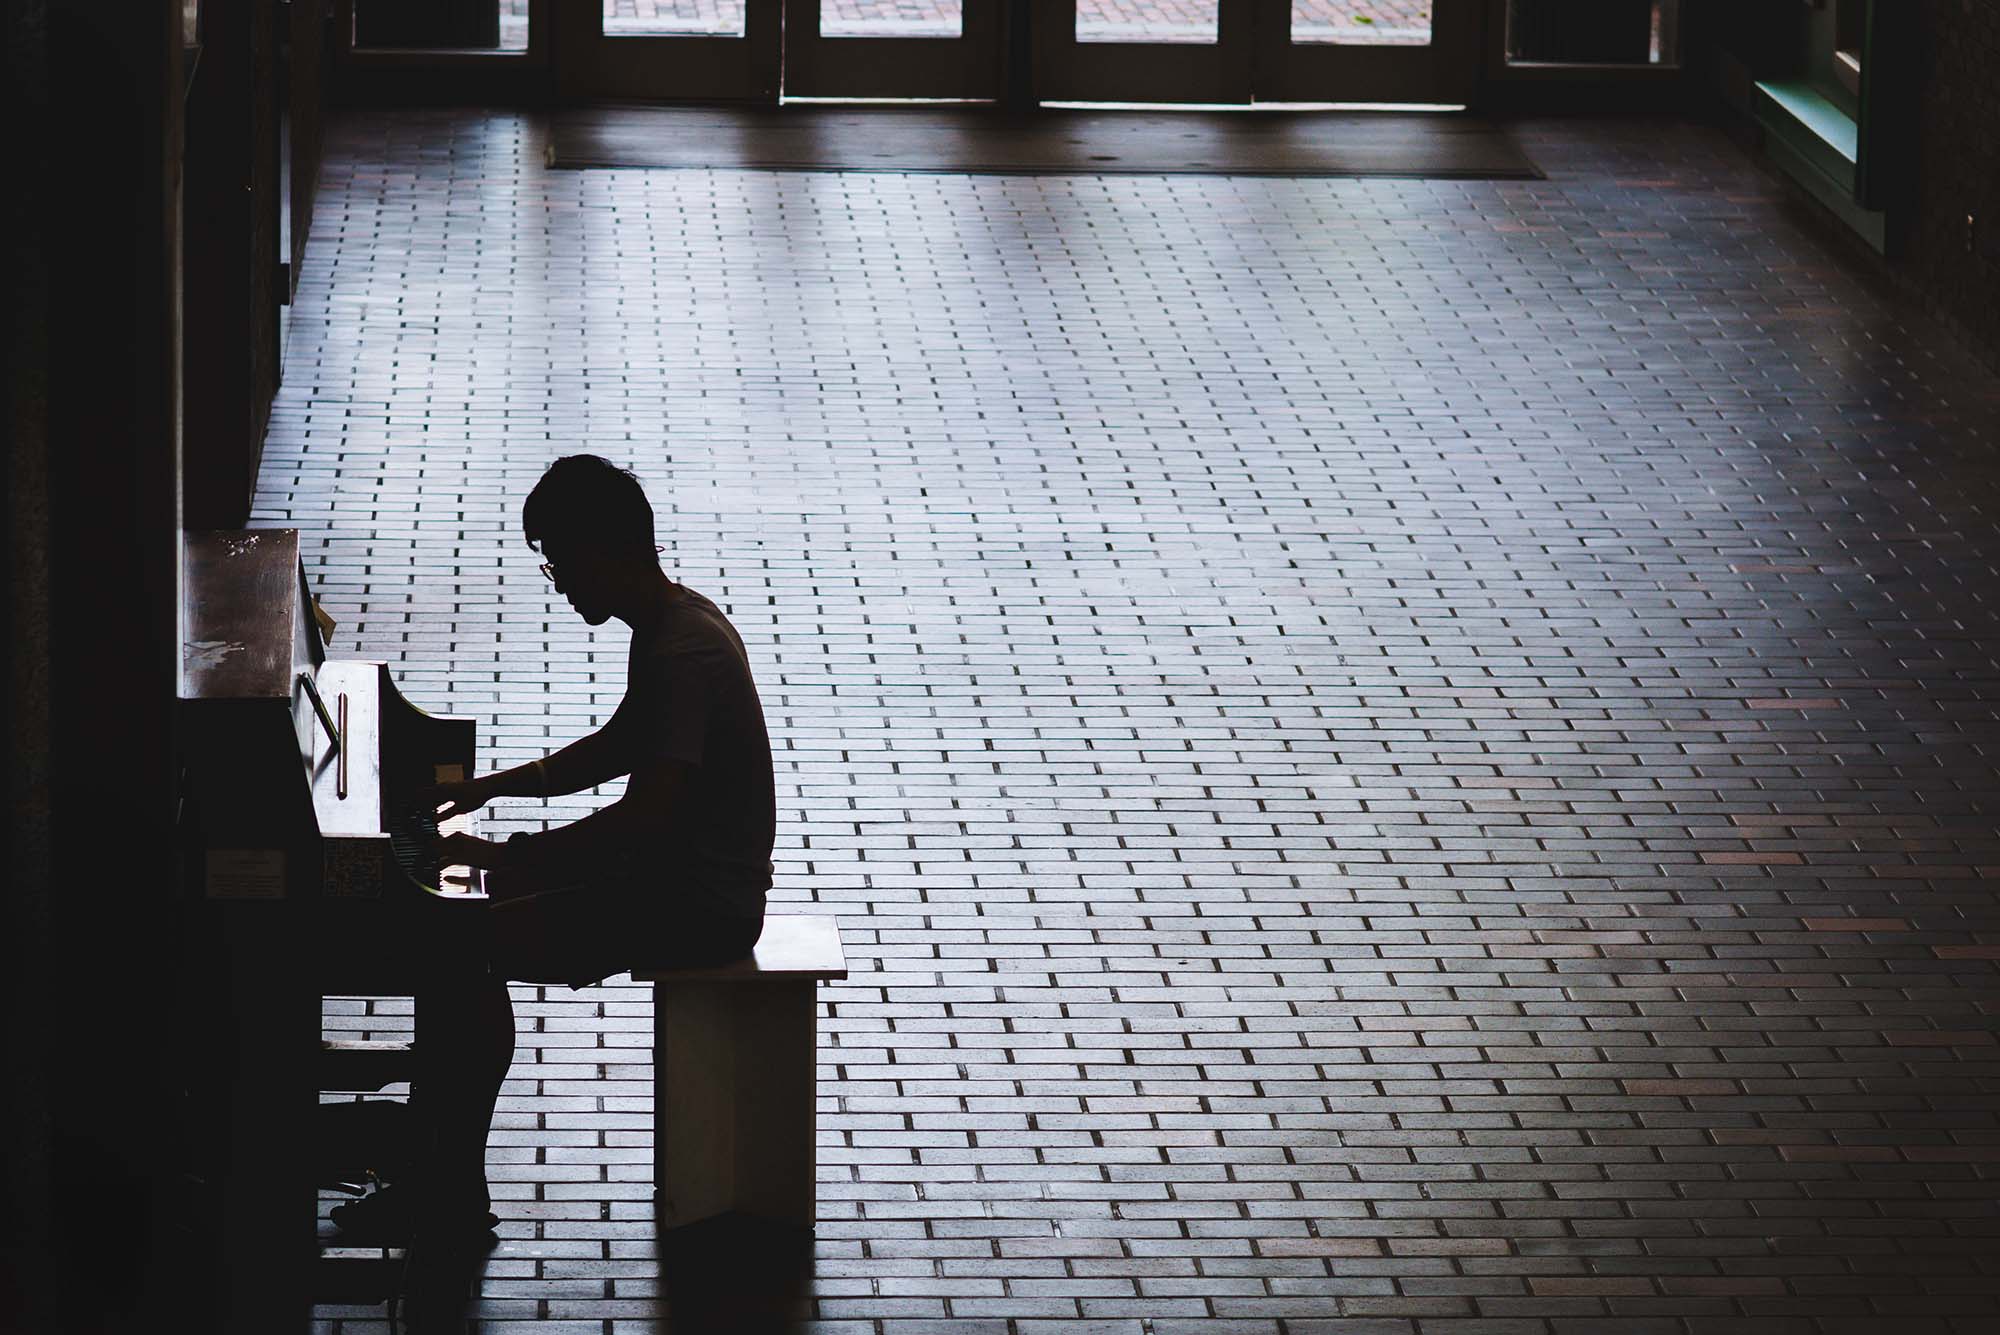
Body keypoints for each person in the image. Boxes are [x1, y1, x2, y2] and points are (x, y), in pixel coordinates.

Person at [353, 454, 776, 1327]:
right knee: (461, 940)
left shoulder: (683, 645)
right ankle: (438, 1173)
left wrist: (507, 860)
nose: (556, 581)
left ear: (605, 548)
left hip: (699, 903)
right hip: (674, 881)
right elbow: (618, 745)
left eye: (557, 558)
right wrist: (494, 785)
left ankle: (448, 1192)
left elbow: (642, 820)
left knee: (463, 944)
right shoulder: (669, 624)